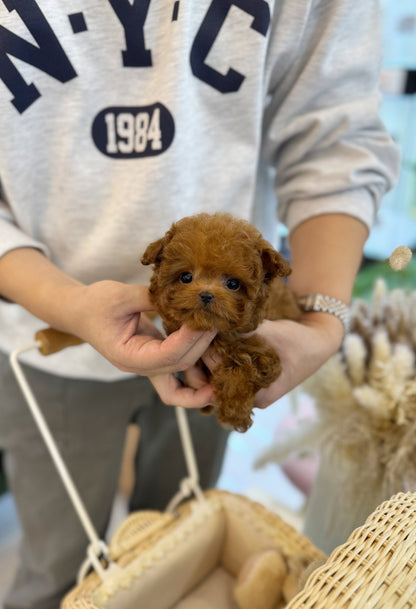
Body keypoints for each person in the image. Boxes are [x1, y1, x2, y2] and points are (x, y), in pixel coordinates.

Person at [0, 1, 399, 608]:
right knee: (58, 564)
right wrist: (64, 304)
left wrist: (320, 320)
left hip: (216, 357)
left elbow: (334, 137)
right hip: (46, 342)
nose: (208, 291)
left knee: (184, 535)